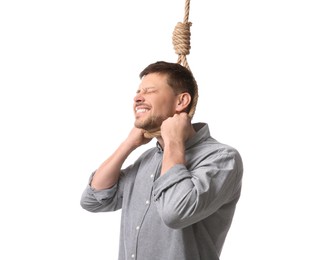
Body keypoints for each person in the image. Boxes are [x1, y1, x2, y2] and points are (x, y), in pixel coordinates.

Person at [80, 61, 243, 260]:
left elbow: (175, 213)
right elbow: (93, 200)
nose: (137, 97)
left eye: (149, 91)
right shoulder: (147, 159)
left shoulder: (222, 159)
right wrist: (128, 144)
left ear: (181, 102)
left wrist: (174, 141)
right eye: (138, 91)